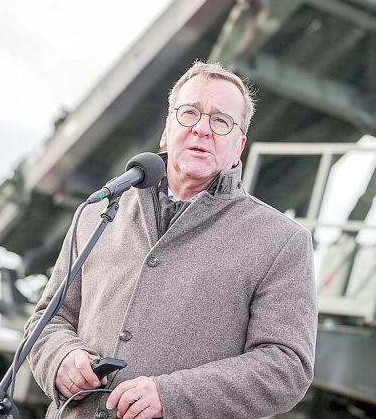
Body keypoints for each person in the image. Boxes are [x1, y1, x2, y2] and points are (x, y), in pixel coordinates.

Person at [25, 61, 317, 419]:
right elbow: (47, 321)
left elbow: (286, 366)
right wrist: (60, 358)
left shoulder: (282, 241)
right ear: (166, 131)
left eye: (220, 121)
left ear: (238, 145)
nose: (202, 129)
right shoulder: (98, 212)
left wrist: (174, 396)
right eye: (189, 113)